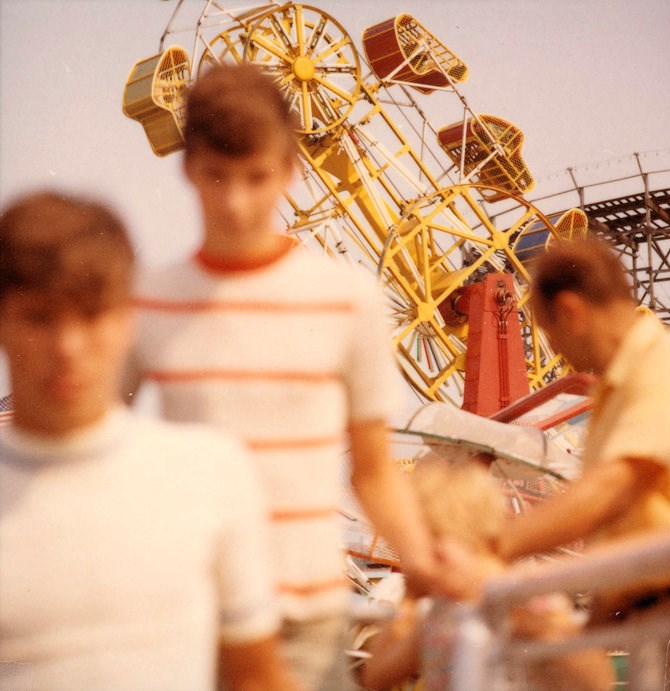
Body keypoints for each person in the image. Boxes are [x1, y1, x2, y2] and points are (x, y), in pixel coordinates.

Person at [125, 62, 439, 689]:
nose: (236, 202)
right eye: (217, 177)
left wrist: (433, 566)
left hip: (306, 613)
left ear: (292, 171)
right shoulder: (148, 302)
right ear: (188, 169)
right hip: (189, 613)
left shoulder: (349, 300)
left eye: (256, 177)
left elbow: (374, 471)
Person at [0, 191, 299, 691]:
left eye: (91, 316)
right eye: (39, 318)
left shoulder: (212, 475)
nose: (67, 348)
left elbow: (257, 678)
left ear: (129, 320)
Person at [497, 236, 670, 618]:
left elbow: (610, 490)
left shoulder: (667, 369)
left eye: (549, 332)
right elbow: (626, 521)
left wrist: (492, 548)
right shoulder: (616, 395)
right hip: (652, 610)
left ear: (571, 312)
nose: (555, 350)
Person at [360, 457, 615, 691]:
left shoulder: (527, 600)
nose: (422, 566)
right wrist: (410, 597)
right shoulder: (441, 615)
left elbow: (597, 682)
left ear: (471, 536)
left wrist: (538, 627)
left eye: (433, 554)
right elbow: (378, 676)